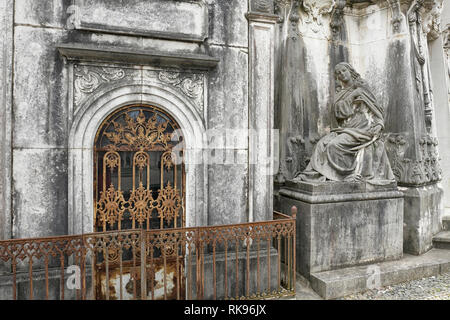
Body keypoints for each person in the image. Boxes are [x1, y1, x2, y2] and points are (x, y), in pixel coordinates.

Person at [294, 62, 394, 183]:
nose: (341, 74)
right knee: (321, 144)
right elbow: (339, 113)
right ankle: (309, 175)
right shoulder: (340, 94)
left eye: (343, 70)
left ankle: (344, 175)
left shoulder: (362, 88)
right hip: (345, 128)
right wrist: (353, 95)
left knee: (334, 145)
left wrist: (379, 124)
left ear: (350, 71)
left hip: (363, 129)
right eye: (338, 73)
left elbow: (376, 110)